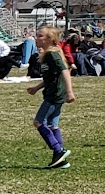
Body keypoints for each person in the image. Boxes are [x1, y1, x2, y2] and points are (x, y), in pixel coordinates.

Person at [29, 25, 75, 169]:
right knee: (52, 124)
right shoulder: (49, 53)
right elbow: (51, 77)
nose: (37, 38)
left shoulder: (52, 54)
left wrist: (69, 92)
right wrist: (36, 88)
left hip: (55, 95)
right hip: (54, 93)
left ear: (49, 39)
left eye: (40, 36)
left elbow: (65, 71)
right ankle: (61, 160)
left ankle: (58, 150)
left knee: (38, 122)